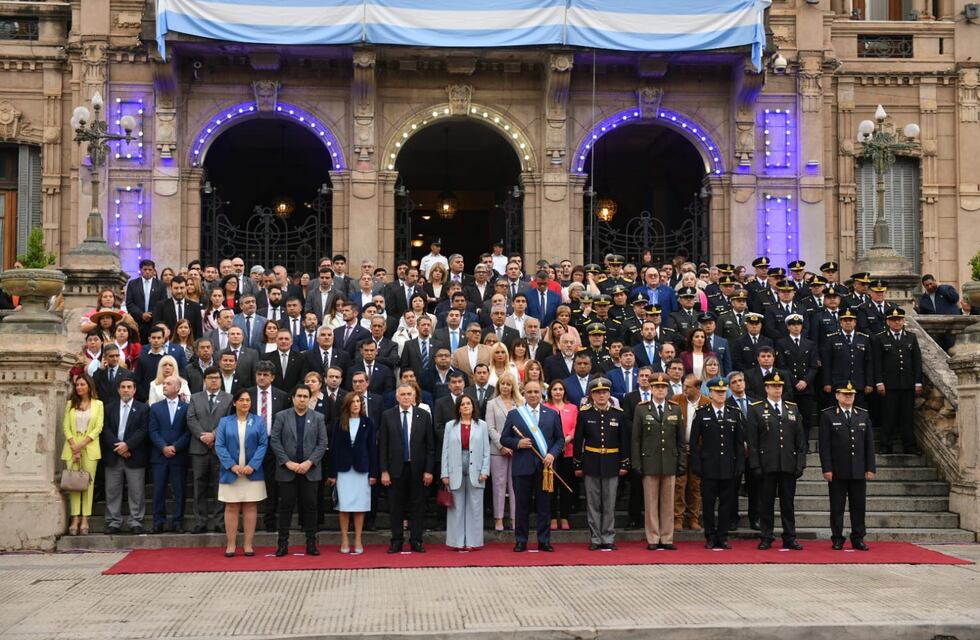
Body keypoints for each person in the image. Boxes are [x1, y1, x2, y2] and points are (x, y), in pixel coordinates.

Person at [500, 380, 564, 552]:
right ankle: (521, 540)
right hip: (522, 467)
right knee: (522, 506)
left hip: (545, 468)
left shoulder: (552, 414)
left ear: (541, 394)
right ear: (524, 394)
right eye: (529, 392)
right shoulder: (515, 414)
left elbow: (560, 439)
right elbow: (504, 439)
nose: (533, 395)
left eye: (536, 392)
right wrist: (518, 443)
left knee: (544, 506)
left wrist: (552, 454)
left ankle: (544, 540)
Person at [746, 373, 806, 550]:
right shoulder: (756, 409)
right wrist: (755, 464)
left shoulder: (792, 408)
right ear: (766, 388)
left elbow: (800, 439)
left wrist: (800, 462)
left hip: (788, 463)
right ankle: (766, 536)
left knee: (788, 503)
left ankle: (790, 536)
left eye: (779, 386)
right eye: (773, 386)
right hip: (767, 464)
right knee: (766, 503)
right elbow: (753, 441)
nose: (777, 389)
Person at [270, 384, 328, 557]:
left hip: (310, 470)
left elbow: (322, 443)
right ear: (293, 398)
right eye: (299, 396)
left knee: (311, 506)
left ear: (310, 398)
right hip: (287, 470)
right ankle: (282, 544)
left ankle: (311, 543)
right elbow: (275, 441)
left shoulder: (318, 417)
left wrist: (309, 462)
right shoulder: (281, 416)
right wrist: (287, 462)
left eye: (305, 396)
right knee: (286, 507)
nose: (302, 399)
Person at [573, 377, 630, 550]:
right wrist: (577, 464)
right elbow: (578, 441)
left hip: (612, 463)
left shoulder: (618, 414)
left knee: (609, 502)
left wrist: (624, 463)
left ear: (609, 394)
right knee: (593, 503)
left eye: (604, 392)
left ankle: (608, 537)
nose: (601, 395)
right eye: (597, 393)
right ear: (592, 395)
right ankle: (596, 538)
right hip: (591, 463)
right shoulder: (584, 413)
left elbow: (624, 441)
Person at [379, 383, 435, 553]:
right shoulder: (388, 415)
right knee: (396, 506)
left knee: (417, 506)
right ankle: (396, 540)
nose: (405, 397)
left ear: (414, 396)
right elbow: (383, 445)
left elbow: (430, 446)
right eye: (402, 394)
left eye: (409, 394)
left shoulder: (424, 415)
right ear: (397, 397)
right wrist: (384, 471)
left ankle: (416, 540)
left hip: (418, 469)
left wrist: (429, 470)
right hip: (395, 468)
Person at [820, 381, 876, 551]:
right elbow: (825, 445)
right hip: (838, 470)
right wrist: (827, 468)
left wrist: (870, 468)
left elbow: (869, 444)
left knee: (858, 506)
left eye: (851, 394)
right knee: (837, 506)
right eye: (845, 394)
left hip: (858, 469)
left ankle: (858, 538)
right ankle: (837, 537)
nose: (848, 397)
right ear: (837, 395)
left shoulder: (862, 415)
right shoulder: (828, 415)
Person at [690, 376, 745, 549]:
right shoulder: (702, 413)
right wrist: (697, 465)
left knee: (726, 504)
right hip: (709, 467)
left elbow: (738, 443)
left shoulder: (734, 413)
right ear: (711, 393)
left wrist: (739, 465)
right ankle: (710, 536)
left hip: (728, 466)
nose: (721, 394)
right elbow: (693, 442)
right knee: (708, 504)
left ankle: (723, 535)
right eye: (717, 392)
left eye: (723, 391)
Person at [631, 372, 684, 550]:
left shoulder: (675, 408)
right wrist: (636, 463)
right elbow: (636, 439)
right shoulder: (641, 409)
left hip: (669, 461)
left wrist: (681, 462)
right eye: (657, 387)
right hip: (649, 462)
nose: (660, 390)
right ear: (651, 388)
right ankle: (653, 537)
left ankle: (667, 537)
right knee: (651, 502)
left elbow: (680, 440)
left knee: (668, 502)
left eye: (663, 387)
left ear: (667, 389)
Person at [214, 388, 268, 556]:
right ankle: (231, 544)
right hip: (231, 473)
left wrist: (252, 465)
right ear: (235, 402)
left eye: (248, 400)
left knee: (250, 506)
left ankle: (248, 545)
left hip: (252, 473)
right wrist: (232, 465)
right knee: (231, 506)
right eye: (242, 400)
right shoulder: (224, 422)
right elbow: (219, 446)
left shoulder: (258, 421)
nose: (246, 403)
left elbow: (263, 444)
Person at [328, 392, 378, 554]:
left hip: (362, 469)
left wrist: (373, 473)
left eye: (358, 401)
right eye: (353, 402)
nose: (356, 404)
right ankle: (344, 539)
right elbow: (333, 449)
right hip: (343, 470)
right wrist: (332, 473)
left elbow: (372, 449)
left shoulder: (368, 423)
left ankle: (358, 539)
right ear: (347, 404)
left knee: (360, 506)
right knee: (344, 506)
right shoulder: (339, 423)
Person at [441, 394, 491, 550]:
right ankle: (457, 542)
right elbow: (445, 450)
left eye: (468, 403)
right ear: (458, 408)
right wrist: (445, 473)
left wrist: (485, 470)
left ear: (473, 406)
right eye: (462, 404)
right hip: (455, 466)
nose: (466, 406)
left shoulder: (481, 425)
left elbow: (486, 450)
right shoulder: (450, 425)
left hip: (475, 468)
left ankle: (473, 542)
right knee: (456, 507)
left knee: (475, 507)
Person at [186, 366, 232, 533]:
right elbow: (190, 418)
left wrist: (213, 435)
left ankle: (220, 522)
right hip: (199, 448)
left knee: (220, 487)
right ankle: (201, 522)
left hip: (219, 448)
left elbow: (228, 420)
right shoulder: (195, 398)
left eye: (217, 378)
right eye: (210, 377)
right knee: (199, 486)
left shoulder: (229, 398)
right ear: (204, 380)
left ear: (221, 380)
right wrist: (202, 436)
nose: (214, 380)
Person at [100, 377, 149, 534]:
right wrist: (119, 446)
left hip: (134, 455)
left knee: (136, 492)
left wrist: (128, 445)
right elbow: (105, 429)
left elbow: (143, 430)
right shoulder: (109, 408)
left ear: (134, 390)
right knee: (112, 491)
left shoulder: (143, 409)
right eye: (123, 387)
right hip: (114, 456)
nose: (126, 390)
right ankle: (113, 521)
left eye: (129, 387)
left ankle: (135, 521)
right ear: (118, 390)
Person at [872, 307, 923, 454]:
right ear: (888, 321)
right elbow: (877, 362)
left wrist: (918, 382)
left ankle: (910, 445)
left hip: (907, 383)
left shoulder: (911, 337)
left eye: (899, 319)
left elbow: (917, 361)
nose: (896, 322)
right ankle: (886, 445)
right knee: (888, 416)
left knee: (907, 416)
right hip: (889, 384)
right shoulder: (880, 338)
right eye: (893, 320)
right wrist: (879, 382)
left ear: (903, 321)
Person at [61, 373, 104, 535]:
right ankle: (74, 518)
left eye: (82, 385)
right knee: (73, 484)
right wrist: (74, 446)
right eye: (77, 385)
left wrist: (81, 445)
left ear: (89, 386)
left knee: (87, 485)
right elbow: (66, 427)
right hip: (71, 448)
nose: (79, 387)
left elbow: (98, 428)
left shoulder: (98, 404)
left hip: (90, 446)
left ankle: (86, 518)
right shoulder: (70, 404)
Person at [148, 376, 191, 533]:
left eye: (168, 384)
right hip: (160, 456)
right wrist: (163, 447)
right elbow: (152, 430)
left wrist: (175, 447)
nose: (164, 386)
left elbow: (188, 431)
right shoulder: (155, 407)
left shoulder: (186, 407)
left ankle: (177, 522)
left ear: (178, 388)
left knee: (179, 490)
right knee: (159, 490)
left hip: (178, 456)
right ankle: (158, 521)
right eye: (164, 383)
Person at [485, 372, 522, 531]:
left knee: (515, 486)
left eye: (508, 384)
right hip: (497, 450)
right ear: (498, 386)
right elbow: (490, 428)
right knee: (499, 485)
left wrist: (514, 445)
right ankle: (499, 519)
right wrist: (502, 445)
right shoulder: (492, 403)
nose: (505, 387)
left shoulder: (520, 403)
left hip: (517, 450)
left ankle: (515, 518)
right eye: (502, 384)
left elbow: (523, 427)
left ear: (513, 386)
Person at [545, 379, 577, 531]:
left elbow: (576, 427)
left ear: (564, 391)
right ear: (550, 391)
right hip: (550, 453)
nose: (558, 392)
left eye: (560, 389)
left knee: (566, 485)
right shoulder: (545, 407)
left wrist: (566, 440)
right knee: (551, 486)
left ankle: (564, 516)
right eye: (555, 389)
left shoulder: (572, 408)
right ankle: (551, 517)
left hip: (568, 451)